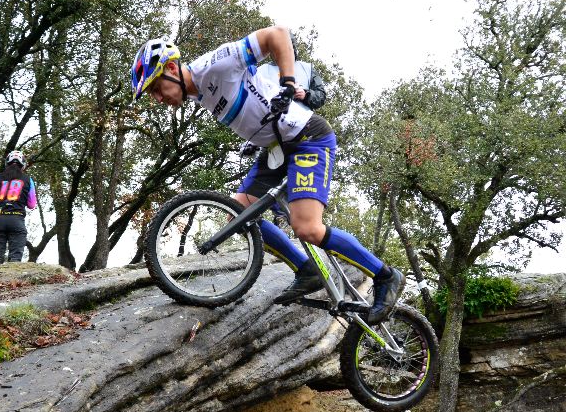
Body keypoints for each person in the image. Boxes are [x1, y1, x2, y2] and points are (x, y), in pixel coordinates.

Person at [131, 26, 404, 322]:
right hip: (277, 148)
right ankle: (307, 269)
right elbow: (254, 100)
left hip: (308, 139)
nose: (157, 98)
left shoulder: (214, 64)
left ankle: (386, 276)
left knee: (307, 228)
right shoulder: (197, 93)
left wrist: (288, 82)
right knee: (239, 214)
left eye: (156, 88)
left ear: (172, 67)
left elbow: (277, 35)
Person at [0, 150, 37, 265]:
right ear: (23, 165)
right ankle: (12, 281)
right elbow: (32, 204)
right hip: (17, 220)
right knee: (15, 260)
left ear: (6, 163)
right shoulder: (28, 180)